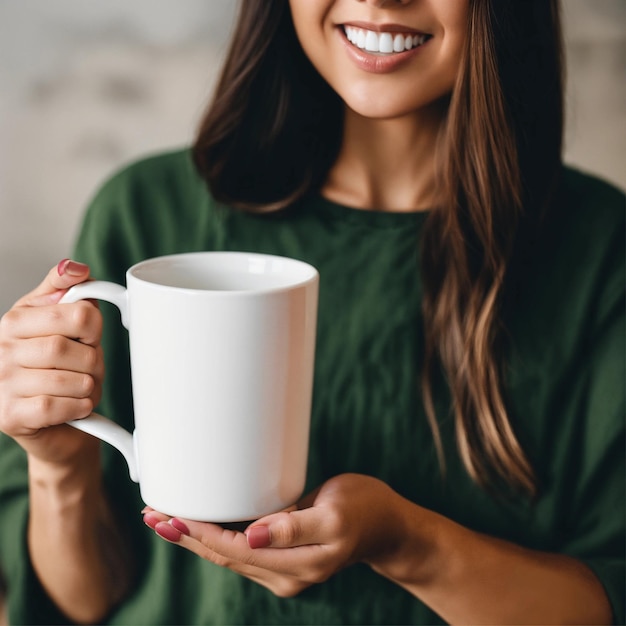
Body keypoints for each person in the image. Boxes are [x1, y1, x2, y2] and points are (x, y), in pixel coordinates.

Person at [0, 0, 623, 623]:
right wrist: (61, 469)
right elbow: (79, 604)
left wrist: (409, 544)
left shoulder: (600, 256)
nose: (380, 1)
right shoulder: (144, 212)